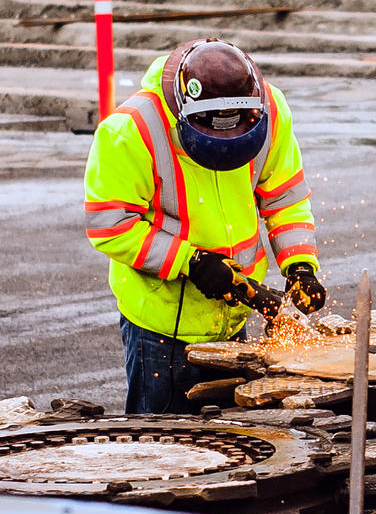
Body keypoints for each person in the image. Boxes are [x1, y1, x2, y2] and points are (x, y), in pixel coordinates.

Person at [83, 38, 326, 414]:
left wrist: (300, 266)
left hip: (233, 318)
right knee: (161, 446)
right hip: (161, 327)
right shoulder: (131, 131)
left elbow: (284, 198)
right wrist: (190, 262)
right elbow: (111, 224)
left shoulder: (270, 110)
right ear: (185, 113)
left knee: (236, 434)